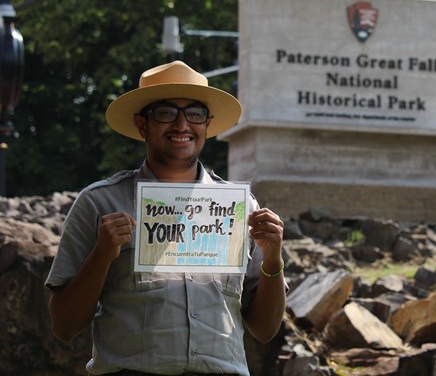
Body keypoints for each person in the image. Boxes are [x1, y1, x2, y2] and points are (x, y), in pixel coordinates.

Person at [45, 60, 286, 376]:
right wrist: (101, 256)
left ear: (207, 125)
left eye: (195, 113)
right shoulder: (99, 202)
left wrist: (272, 259)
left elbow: (264, 329)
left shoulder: (239, 208)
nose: (182, 125)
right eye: (166, 113)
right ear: (142, 125)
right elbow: (64, 325)